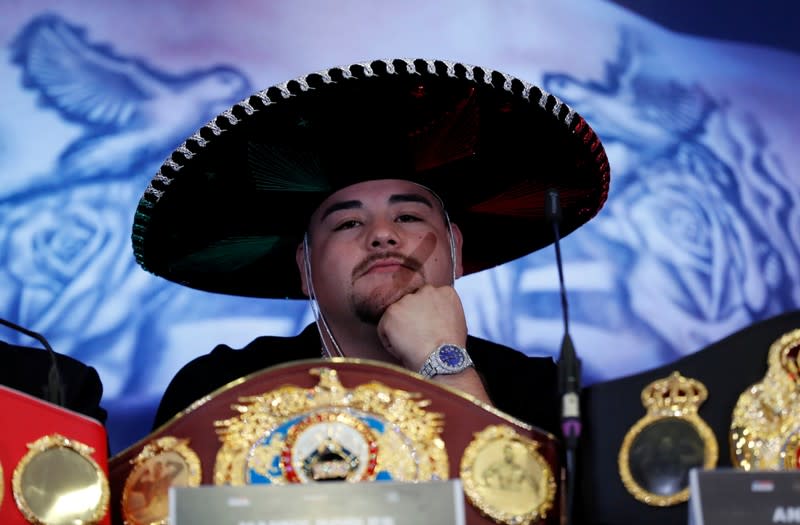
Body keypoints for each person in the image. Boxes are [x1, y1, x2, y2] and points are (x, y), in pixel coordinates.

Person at [132, 58, 610, 435]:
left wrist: (446, 364)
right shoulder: (222, 389)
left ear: (456, 250)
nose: (382, 235)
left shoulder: (534, 390)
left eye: (407, 216)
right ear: (305, 267)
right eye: (347, 223)